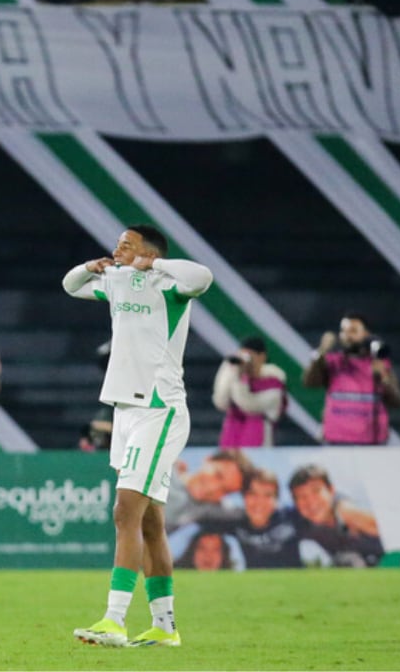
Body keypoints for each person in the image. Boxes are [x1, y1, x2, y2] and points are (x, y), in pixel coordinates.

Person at [64, 223, 213, 648]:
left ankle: (114, 620)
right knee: (150, 521)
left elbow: (203, 277)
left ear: (147, 251)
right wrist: (90, 265)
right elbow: (71, 285)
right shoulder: (116, 282)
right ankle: (165, 627)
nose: (117, 249)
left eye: (126, 245)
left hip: (159, 409)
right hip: (126, 410)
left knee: (124, 511)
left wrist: (157, 263)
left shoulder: (169, 284)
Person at [302, 312, 400, 445]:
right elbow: (309, 382)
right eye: (343, 331)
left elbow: (396, 401)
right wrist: (321, 351)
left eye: (353, 331)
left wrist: (383, 377)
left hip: (372, 440)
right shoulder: (332, 361)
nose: (347, 336)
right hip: (336, 439)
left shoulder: (379, 363)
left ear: (366, 334)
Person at [197, 468, 306, 569]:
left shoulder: (291, 516)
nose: (259, 502)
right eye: (252, 494)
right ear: (243, 497)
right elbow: (201, 513)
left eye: (267, 495)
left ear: (276, 501)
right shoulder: (236, 521)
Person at [287, 464, 383, 567]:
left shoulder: (347, 512)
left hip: (389, 561)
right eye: (302, 496)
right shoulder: (300, 522)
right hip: (356, 566)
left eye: (316, 491)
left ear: (331, 491)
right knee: (347, 560)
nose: (310, 502)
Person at [212, 336, 287, 448]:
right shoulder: (235, 374)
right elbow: (220, 402)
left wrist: (241, 381)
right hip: (232, 434)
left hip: (259, 437)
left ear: (262, 357)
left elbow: (248, 405)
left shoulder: (274, 381)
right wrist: (229, 370)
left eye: (250, 356)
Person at [164, 449, 252, 532]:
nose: (212, 488)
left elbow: (248, 512)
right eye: (218, 475)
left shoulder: (207, 508)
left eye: (226, 491)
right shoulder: (164, 468)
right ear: (208, 460)